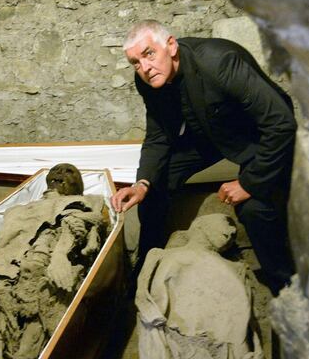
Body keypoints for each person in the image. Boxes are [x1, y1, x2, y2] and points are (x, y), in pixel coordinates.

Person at [110, 19, 297, 294]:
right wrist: (141, 184)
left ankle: (285, 286)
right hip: (208, 131)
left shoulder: (218, 62)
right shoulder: (147, 82)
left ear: (171, 46)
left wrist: (248, 183)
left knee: (255, 209)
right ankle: (148, 264)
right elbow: (159, 136)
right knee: (156, 185)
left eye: (149, 53)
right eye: (135, 62)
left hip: (254, 135)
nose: (144, 68)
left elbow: (281, 123)